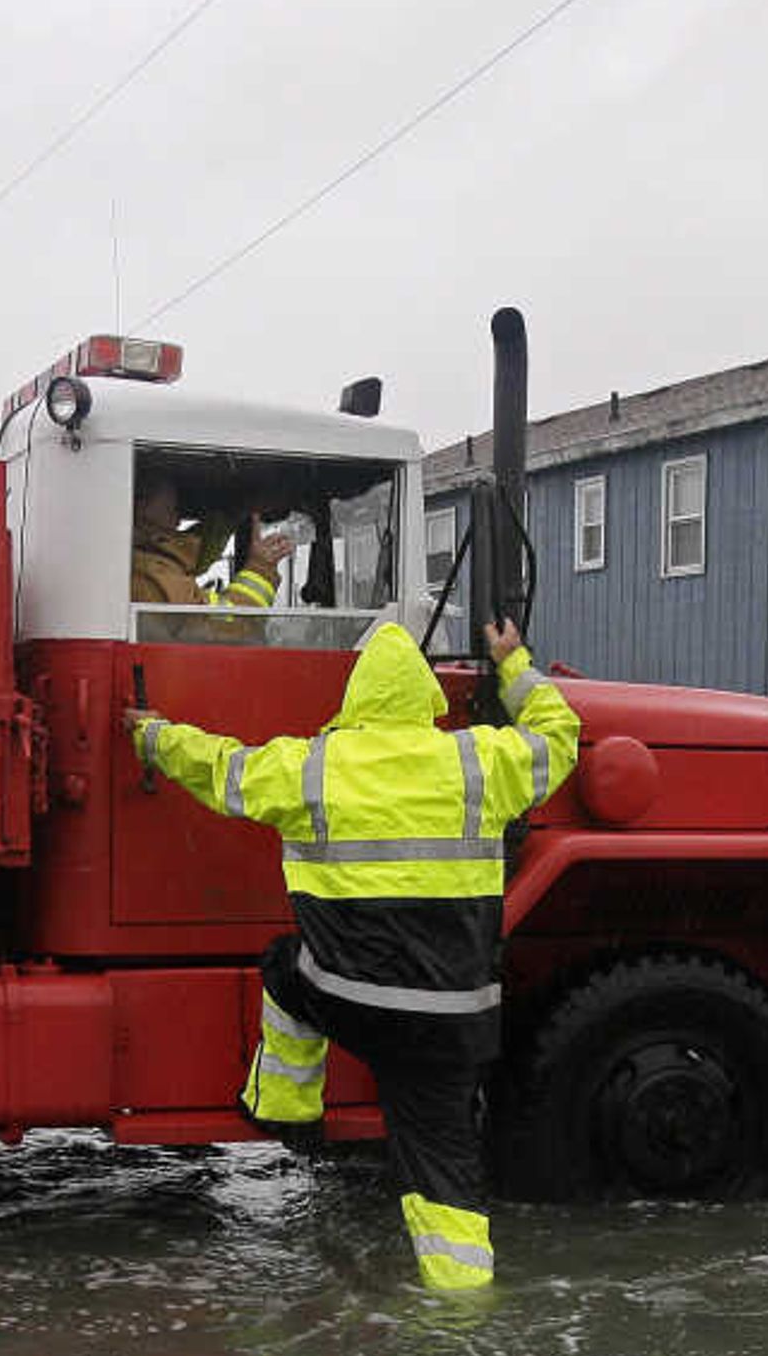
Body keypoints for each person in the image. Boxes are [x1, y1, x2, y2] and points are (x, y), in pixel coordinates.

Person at [127, 612, 581, 1290]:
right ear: (427, 698)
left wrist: (153, 735)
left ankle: (286, 1106)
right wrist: (513, 664)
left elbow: (220, 768)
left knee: (284, 964)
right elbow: (560, 736)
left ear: (357, 695)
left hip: (349, 1001)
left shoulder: (311, 766)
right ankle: (460, 1314)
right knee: (443, 1170)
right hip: (454, 1018)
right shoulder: (481, 762)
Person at [129, 474, 285, 613]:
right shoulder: (147, 572)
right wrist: (261, 568)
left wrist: (232, 516)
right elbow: (225, 629)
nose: (178, 517)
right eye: (173, 506)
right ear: (141, 504)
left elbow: (191, 554)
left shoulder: (148, 555)